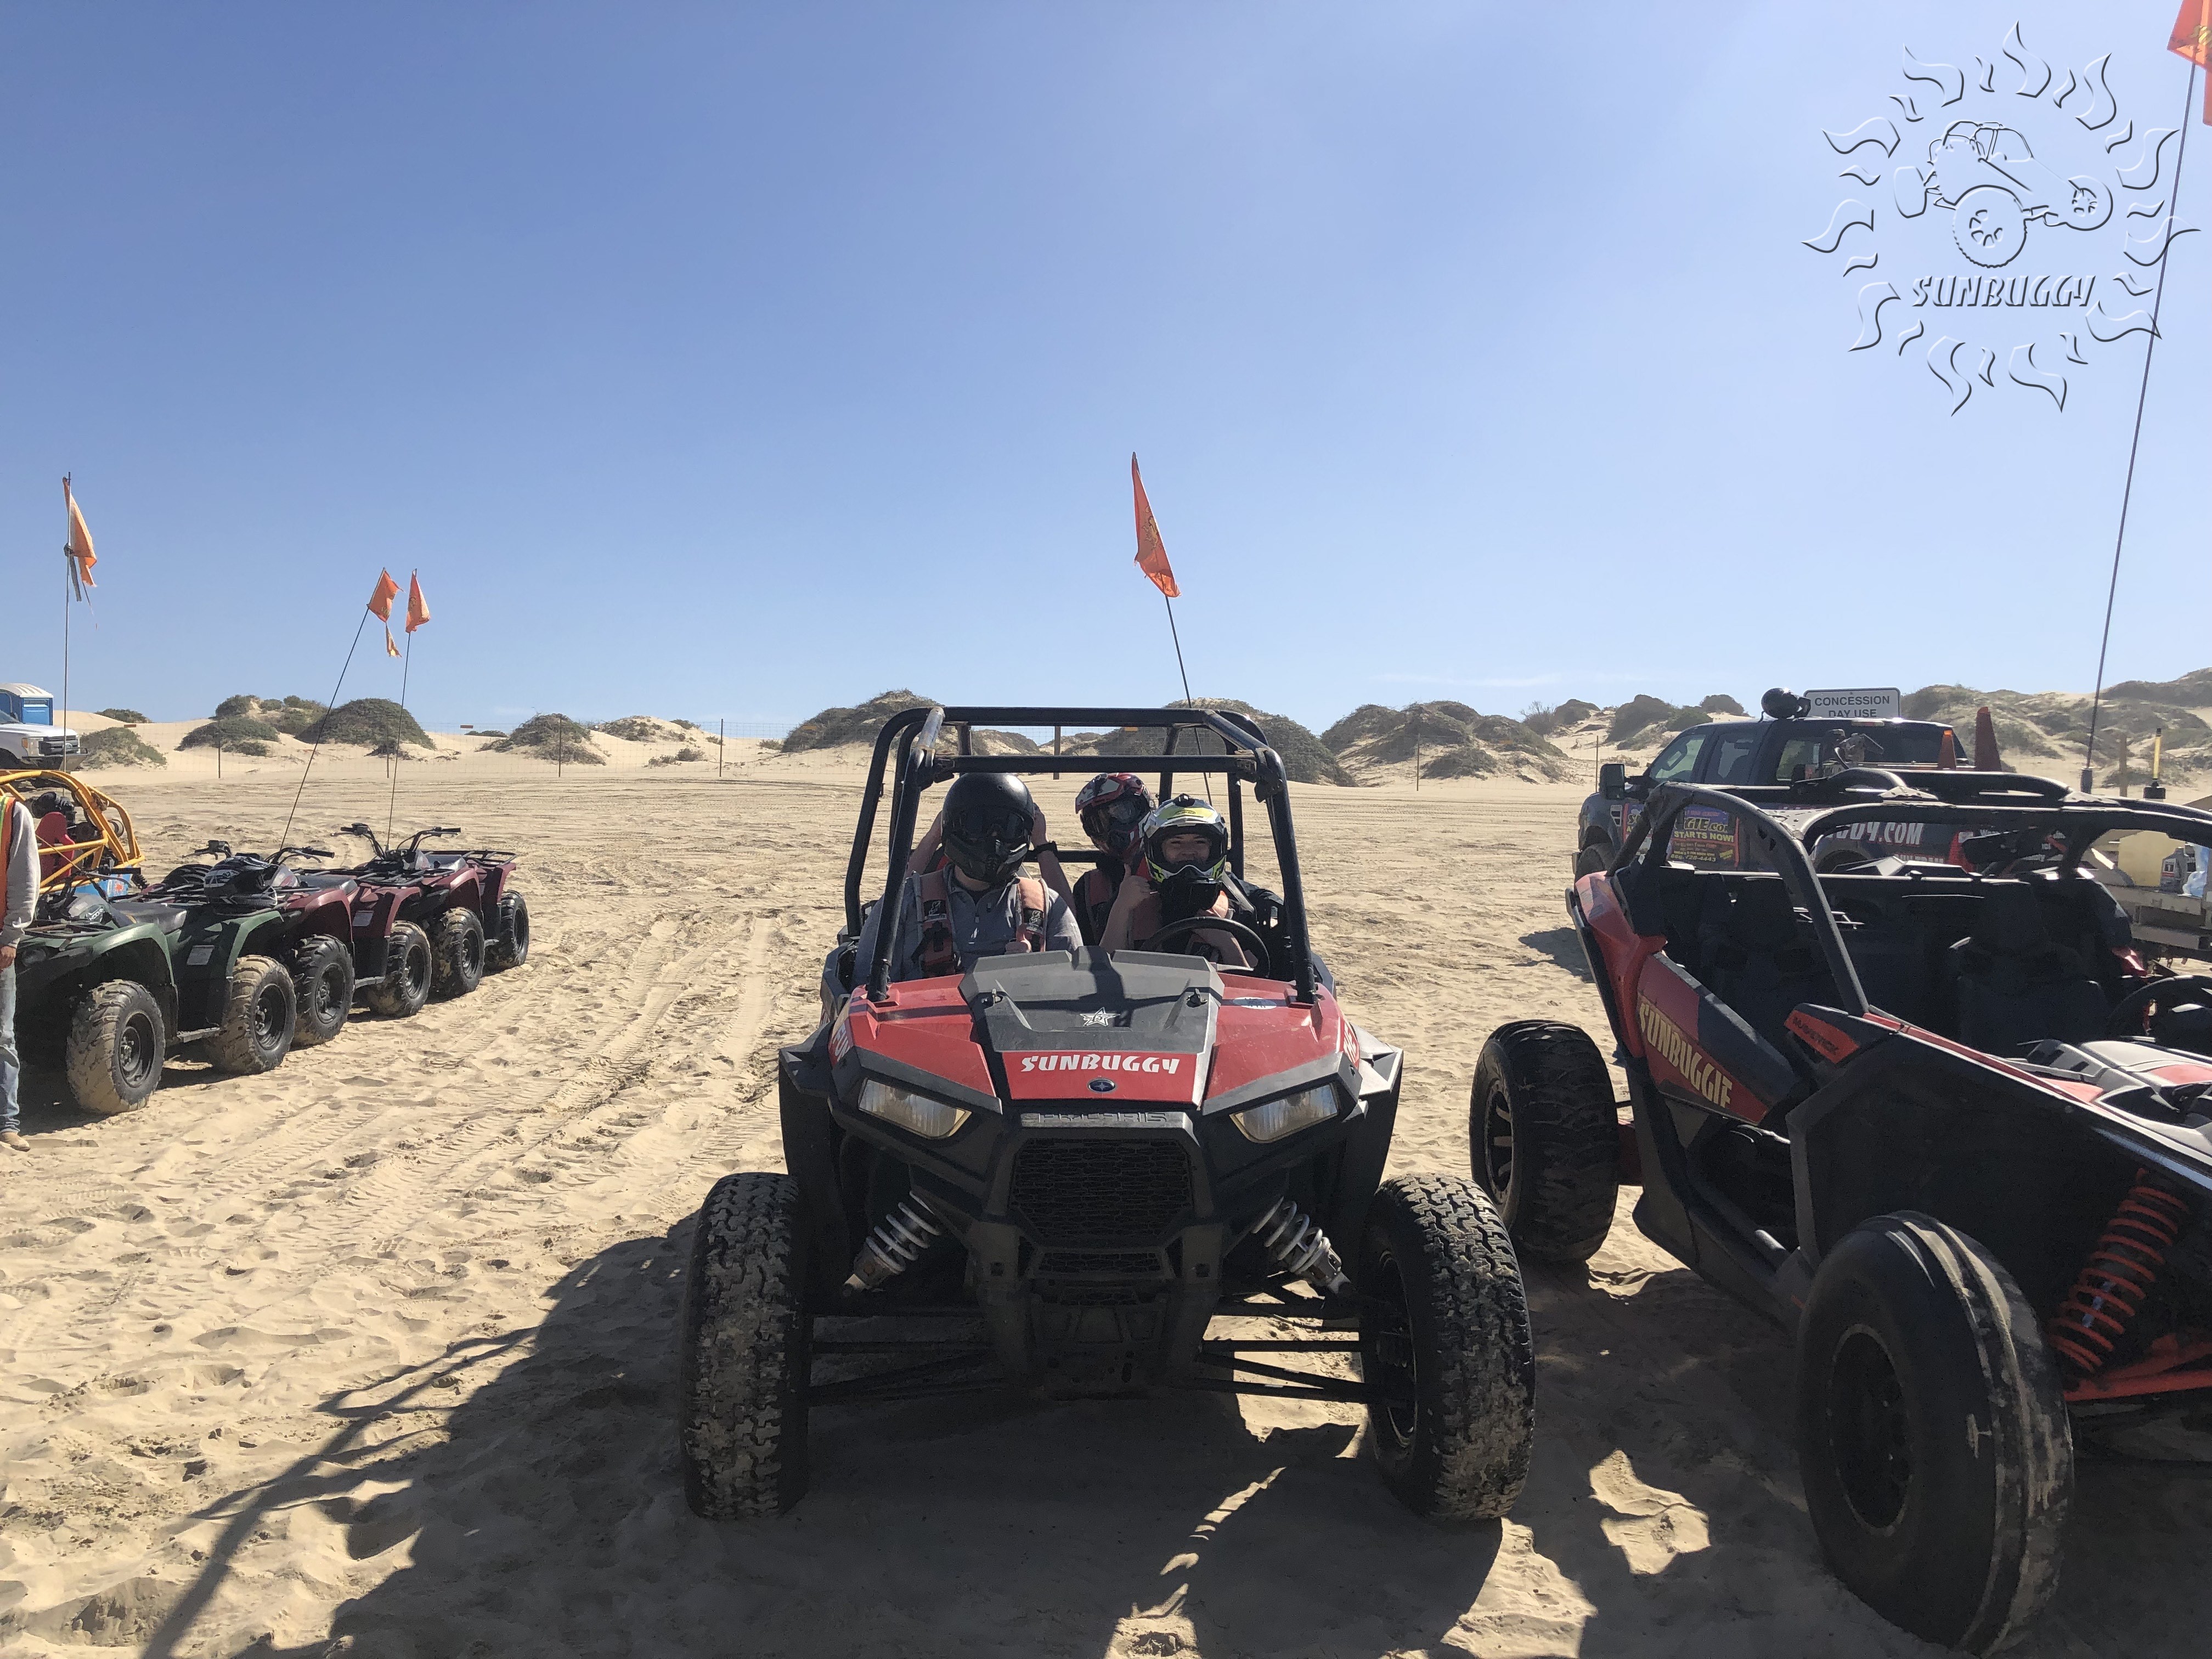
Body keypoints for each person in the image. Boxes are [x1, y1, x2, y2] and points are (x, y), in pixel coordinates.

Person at [853, 771, 1082, 983]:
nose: (994, 842)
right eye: (977, 825)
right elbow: (867, 990)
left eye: (1009, 827)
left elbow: (1077, 987)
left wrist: (1040, 970)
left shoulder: (1047, 906)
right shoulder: (907, 902)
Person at [1101, 794, 1253, 969]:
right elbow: (1102, 972)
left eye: (1200, 842)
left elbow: (1260, 982)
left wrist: (1227, 943)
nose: (1189, 852)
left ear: (1214, 849)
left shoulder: (1240, 907)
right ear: (1158, 851)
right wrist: (1121, 908)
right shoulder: (1131, 904)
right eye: (1176, 843)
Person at [1068, 771, 1154, 945]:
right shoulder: (1089, 887)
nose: (1113, 827)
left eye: (1122, 813)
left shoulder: (1172, 868)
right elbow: (1085, 949)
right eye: (1099, 822)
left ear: (1142, 807)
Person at [1, 791, 35, 1153]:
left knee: (2, 1037)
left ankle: (6, 1124)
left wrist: (11, 937)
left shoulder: (11, 814)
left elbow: (25, 879)